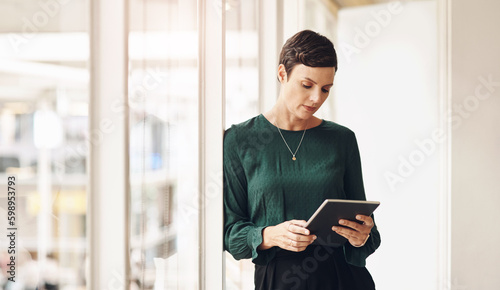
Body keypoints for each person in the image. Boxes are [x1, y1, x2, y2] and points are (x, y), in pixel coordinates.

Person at [223, 30, 381, 290]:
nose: (316, 98)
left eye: (325, 89)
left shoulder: (342, 139)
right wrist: (269, 234)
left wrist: (361, 236)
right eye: (307, 85)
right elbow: (230, 233)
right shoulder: (239, 140)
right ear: (282, 74)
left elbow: (367, 228)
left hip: (342, 277)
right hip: (277, 278)